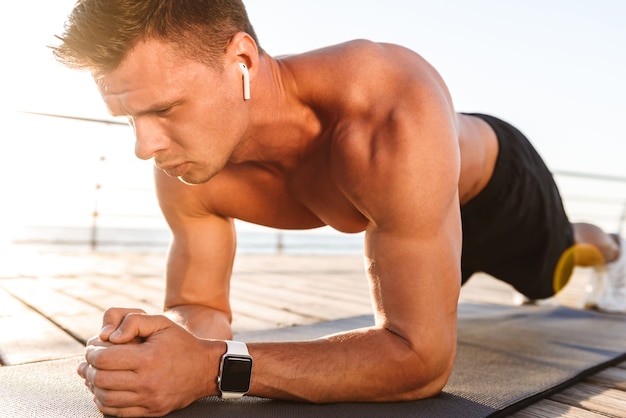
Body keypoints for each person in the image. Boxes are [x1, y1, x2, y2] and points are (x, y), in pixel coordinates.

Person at [53, 0, 626, 416]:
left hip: (495, 192)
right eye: (130, 118)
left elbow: (419, 360)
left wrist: (212, 368)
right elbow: (198, 306)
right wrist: (163, 345)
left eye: (166, 108)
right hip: (407, 213)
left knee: (555, 269)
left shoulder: (385, 115)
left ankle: (611, 246)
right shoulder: (186, 165)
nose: (143, 146)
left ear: (242, 61)